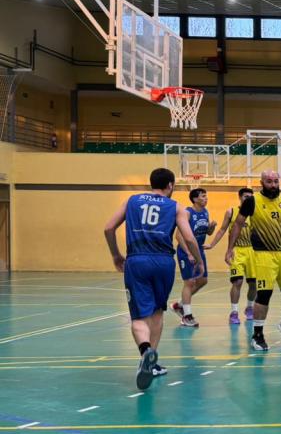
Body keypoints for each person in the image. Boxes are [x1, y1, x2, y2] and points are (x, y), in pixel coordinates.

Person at [103, 167, 204, 390]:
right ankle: (153, 363)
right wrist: (198, 260)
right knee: (158, 311)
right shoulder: (175, 206)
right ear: (170, 185)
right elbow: (189, 237)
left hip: (137, 260)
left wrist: (115, 255)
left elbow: (109, 228)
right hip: (164, 262)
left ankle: (145, 351)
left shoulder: (132, 201)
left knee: (139, 316)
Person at [225, 170, 281, 351]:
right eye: (269, 181)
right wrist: (230, 249)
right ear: (262, 182)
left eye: (276, 181)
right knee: (264, 295)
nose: (273, 185)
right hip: (263, 254)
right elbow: (237, 224)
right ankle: (257, 334)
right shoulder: (252, 201)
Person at [204, 187, 257, 325]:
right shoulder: (231, 212)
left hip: (253, 251)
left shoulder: (256, 212)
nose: (248, 199)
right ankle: (234, 312)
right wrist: (212, 244)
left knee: (254, 284)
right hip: (236, 250)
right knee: (237, 282)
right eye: (245, 197)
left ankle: (250, 308)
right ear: (240, 197)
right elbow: (222, 230)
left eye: (250, 197)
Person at [172, 188, 215, 328]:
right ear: (195, 199)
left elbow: (207, 232)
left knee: (203, 280)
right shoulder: (187, 213)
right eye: (203, 196)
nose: (206, 198)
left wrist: (212, 227)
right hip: (186, 252)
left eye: (206, 196)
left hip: (198, 250)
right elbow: (178, 236)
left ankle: (179, 305)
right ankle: (187, 316)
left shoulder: (205, 212)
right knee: (189, 283)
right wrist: (188, 253)